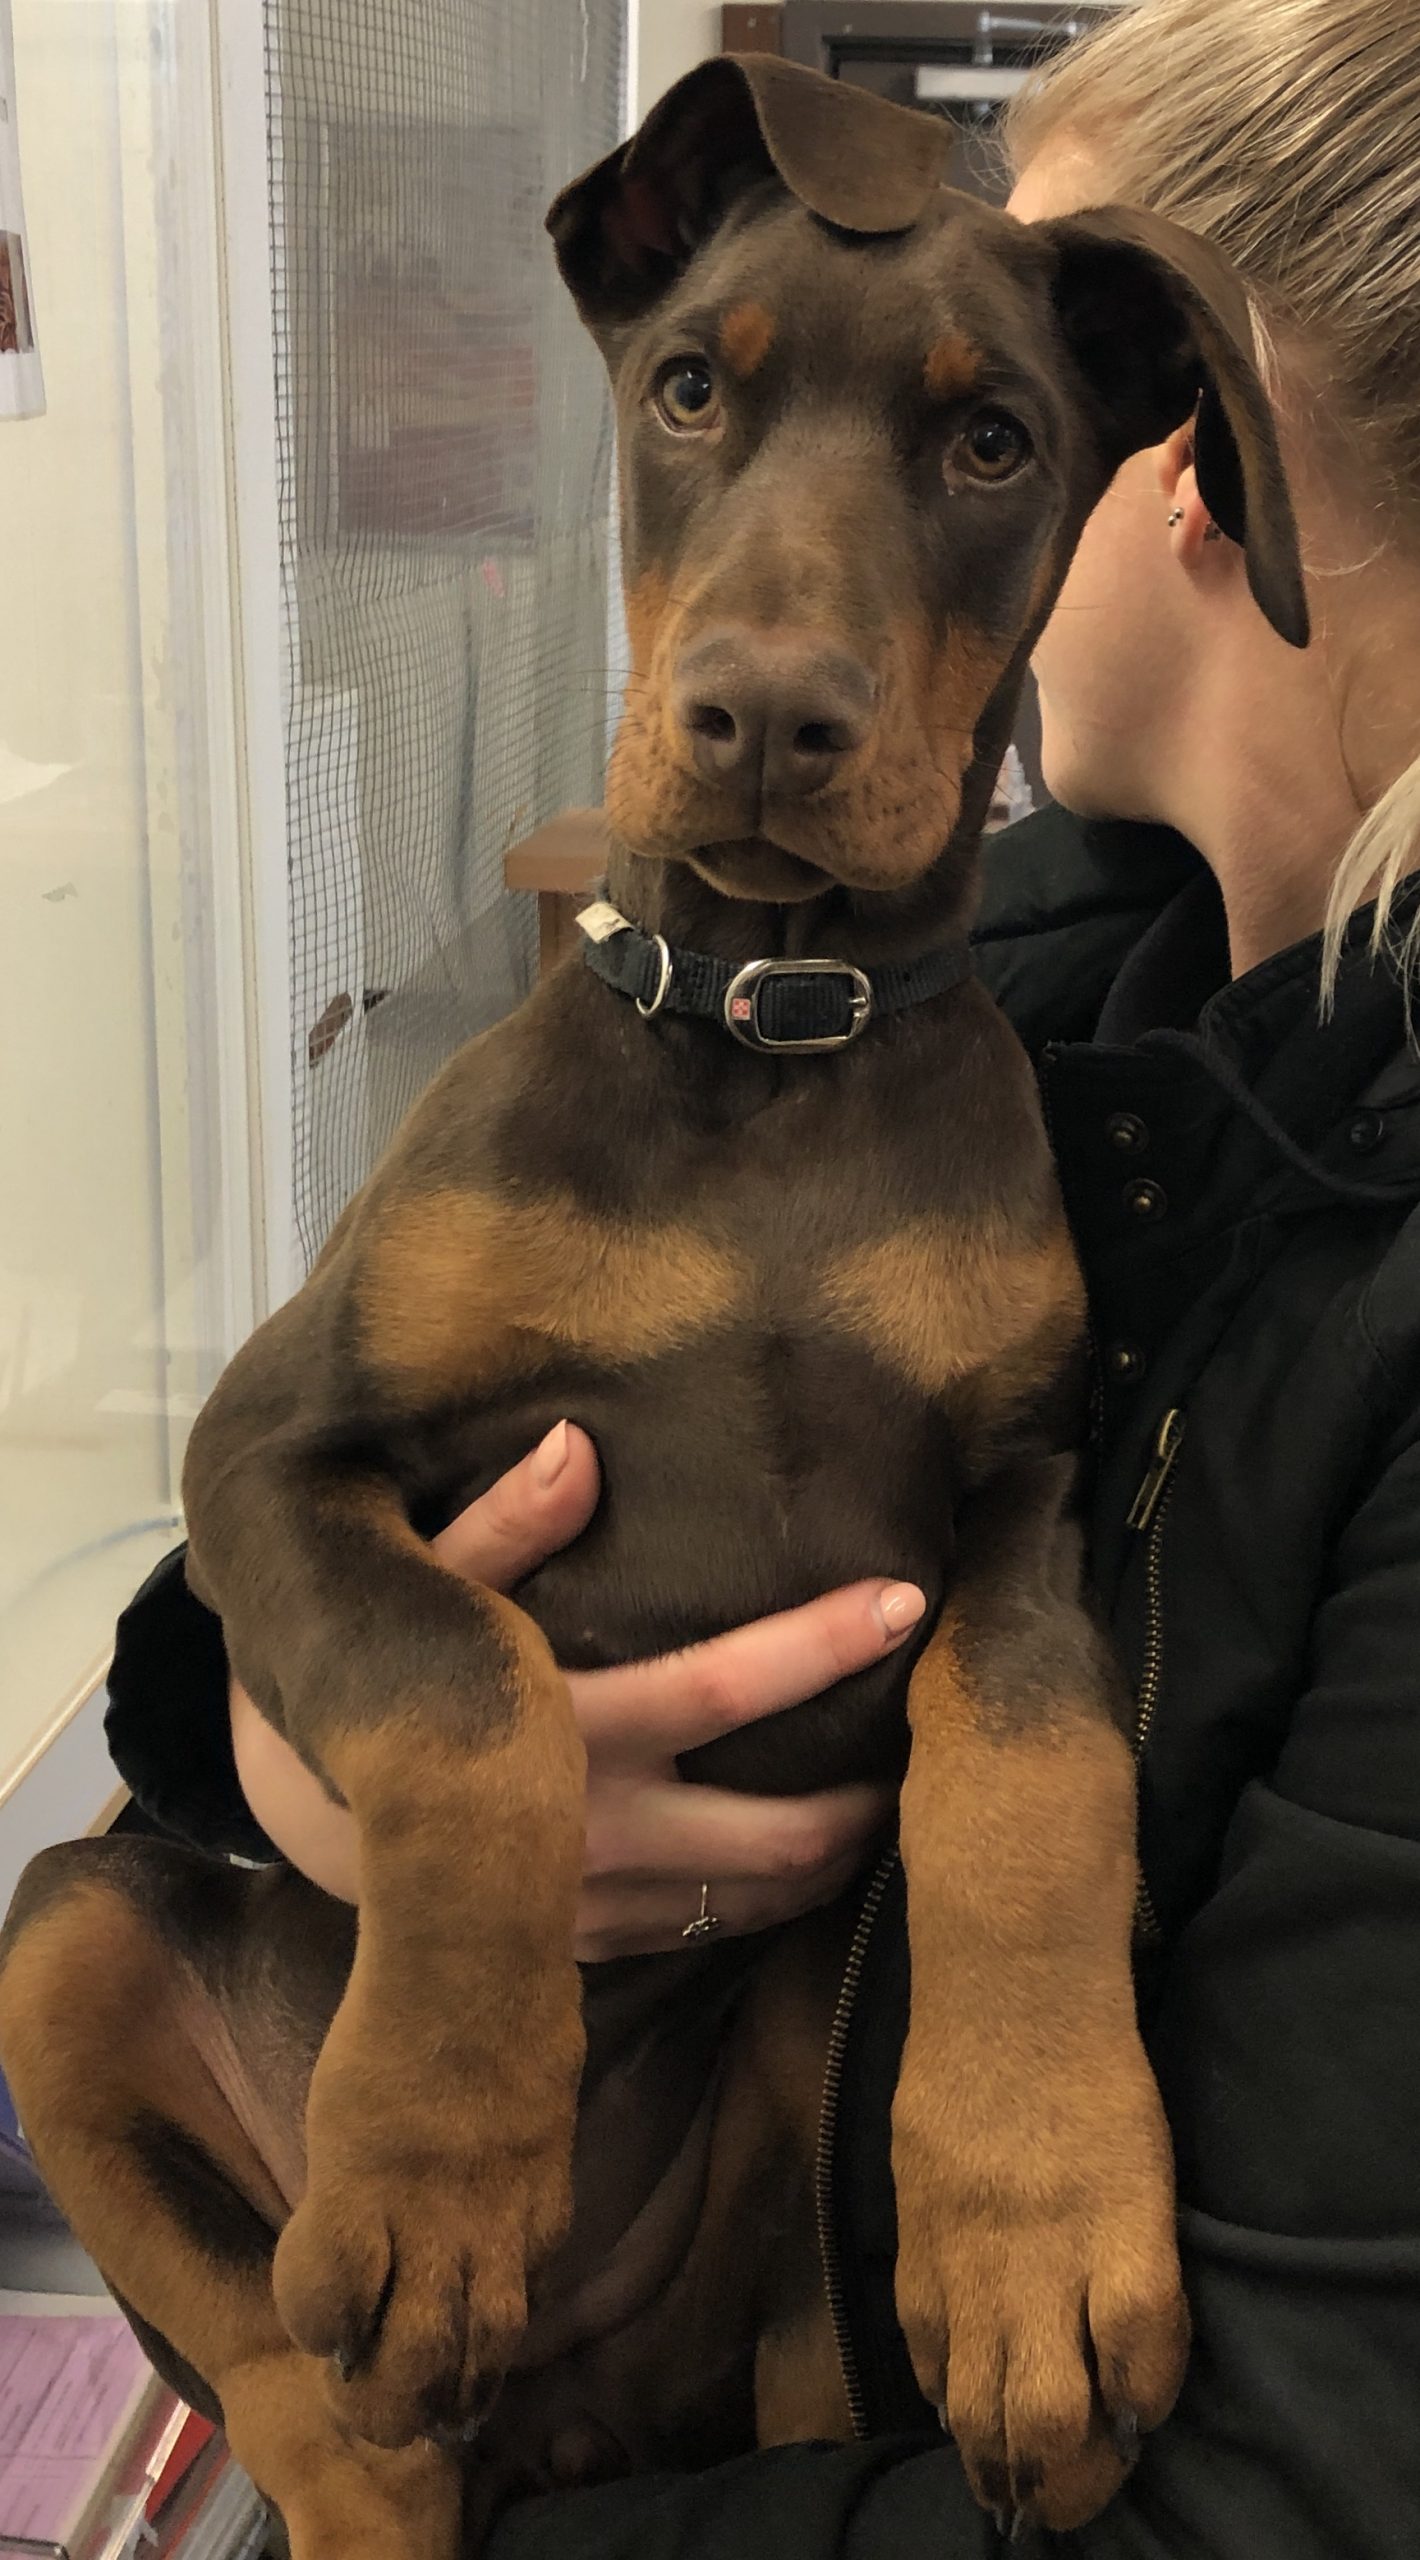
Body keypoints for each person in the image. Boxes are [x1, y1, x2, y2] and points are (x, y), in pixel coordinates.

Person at [103, 0, 1420, 2548]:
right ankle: (285, 2398)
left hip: (768, 2343)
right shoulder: (1052, 955)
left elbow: (1285, 2486)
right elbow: (262, 1509)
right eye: (705, 391)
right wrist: (334, 1765)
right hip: (383, 2195)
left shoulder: (1096, 1131)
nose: (776, 660)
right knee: (72, 1955)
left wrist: (1017, 1927)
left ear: (1180, 470)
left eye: (985, 429)